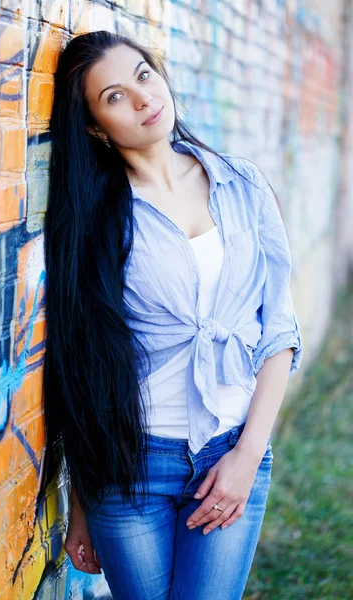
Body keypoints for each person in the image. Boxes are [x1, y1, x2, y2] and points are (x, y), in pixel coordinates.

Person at [39, 30, 303, 600]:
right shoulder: (95, 219)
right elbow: (85, 362)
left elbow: (278, 331)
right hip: (126, 464)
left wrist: (246, 456)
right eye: (113, 97)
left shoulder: (241, 185)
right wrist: (79, 504)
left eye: (142, 74)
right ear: (94, 128)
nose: (141, 98)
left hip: (230, 451)